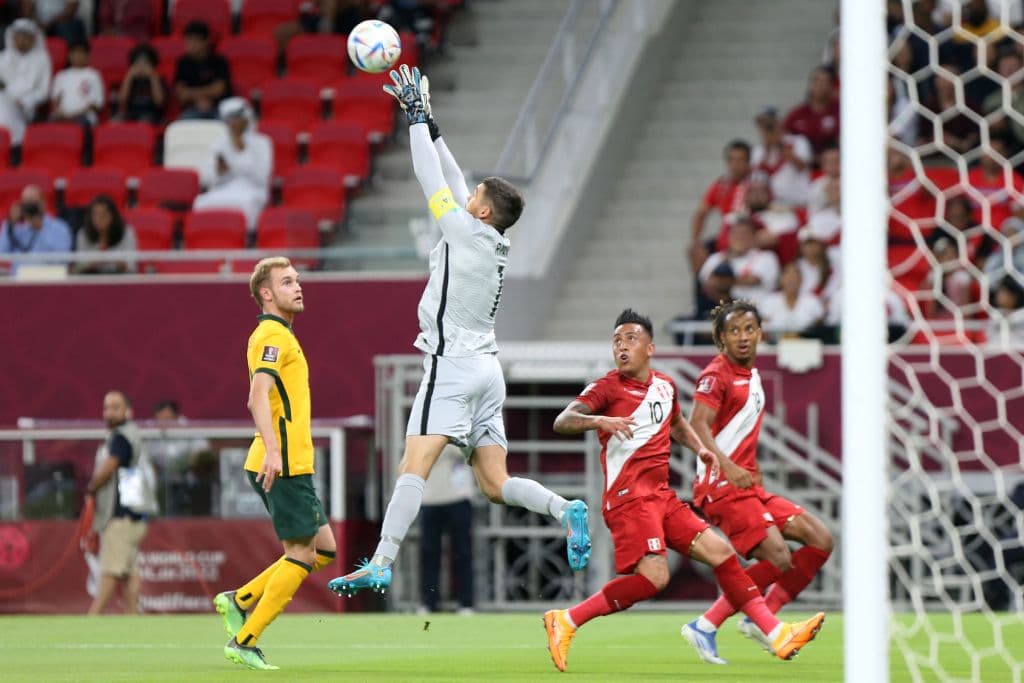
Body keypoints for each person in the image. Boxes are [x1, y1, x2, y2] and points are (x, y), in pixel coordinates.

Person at [328, 66, 592, 598]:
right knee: (495, 483)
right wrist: (433, 125)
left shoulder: (465, 232)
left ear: (483, 210)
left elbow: (432, 179)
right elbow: (451, 176)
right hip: (488, 372)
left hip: (451, 368)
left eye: (474, 195)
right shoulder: (491, 239)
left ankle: (381, 562)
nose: (465, 194)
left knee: (413, 465)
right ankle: (564, 508)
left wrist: (414, 119)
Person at [541, 309, 825, 672]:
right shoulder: (607, 387)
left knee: (721, 553)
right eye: (617, 340)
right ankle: (567, 620)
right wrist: (600, 419)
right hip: (629, 499)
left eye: (631, 339)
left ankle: (775, 633)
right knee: (655, 579)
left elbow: (676, 423)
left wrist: (700, 449)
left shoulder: (665, 385)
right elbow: (563, 420)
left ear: (650, 348)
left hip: (661, 496)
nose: (622, 346)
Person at [683, 301, 834, 658]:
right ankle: (710, 624)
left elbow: (740, 432)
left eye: (749, 329)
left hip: (747, 486)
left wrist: (751, 469)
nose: (743, 337)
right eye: (734, 331)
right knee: (779, 556)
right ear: (721, 338)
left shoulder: (752, 375)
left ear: (760, 334)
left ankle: (750, 619)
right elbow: (698, 424)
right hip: (720, 486)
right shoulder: (716, 375)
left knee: (820, 539)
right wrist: (728, 466)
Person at [212, 257, 337, 671]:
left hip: (289, 460)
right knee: (300, 554)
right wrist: (274, 451)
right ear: (266, 293)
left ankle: (240, 599)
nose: (297, 287)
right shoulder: (271, 335)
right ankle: (244, 641)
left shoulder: (281, 334)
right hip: (281, 463)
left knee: (324, 550)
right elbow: (256, 396)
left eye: (297, 280)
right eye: (286, 282)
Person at [85, 390, 157, 615]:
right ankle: (133, 617)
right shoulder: (130, 435)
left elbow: (109, 467)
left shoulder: (121, 437)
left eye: (116, 407)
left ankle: (92, 618)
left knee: (110, 570)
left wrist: (91, 488)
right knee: (129, 572)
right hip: (135, 514)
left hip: (121, 517)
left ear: (128, 411)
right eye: (106, 408)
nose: (109, 413)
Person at [193, 97, 272, 230]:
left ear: (246, 119)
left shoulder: (262, 143)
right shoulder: (218, 144)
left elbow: (262, 177)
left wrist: (240, 154)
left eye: (236, 118)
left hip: (252, 190)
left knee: (247, 203)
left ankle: (246, 238)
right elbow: (207, 180)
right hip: (224, 189)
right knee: (200, 202)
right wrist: (219, 172)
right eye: (229, 119)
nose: (233, 123)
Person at [419, 444, 475, 615]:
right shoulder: (421, 432)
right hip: (429, 498)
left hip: (458, 497)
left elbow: (468, 451)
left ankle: (466, 603)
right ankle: (429, 603)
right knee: (429, 553)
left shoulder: (461, 429)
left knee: (463, 552)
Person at [688, 139, 752, 274]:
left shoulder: (757, 183)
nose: (735, 165)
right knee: (696, 252)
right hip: (726, 236)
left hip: (750, 235)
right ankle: (704, 287)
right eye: (731, 160)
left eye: (739, 160)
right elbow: (700, 213)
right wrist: (695, 242)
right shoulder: (721, 185)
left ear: (748, 162)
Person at [698, 216, 780, 304]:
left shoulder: (766, 257)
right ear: (729, 237)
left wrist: (721, 282)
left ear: (754, 237)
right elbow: (707, 282)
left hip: (756, 308)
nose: (740, 237)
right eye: (736, 233)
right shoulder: (716, 258)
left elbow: (753, 280)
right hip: (722, 308)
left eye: (744, 234)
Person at [0, 184, 72, 275]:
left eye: (34, 202)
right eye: (27, 202)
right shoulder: (16, 228)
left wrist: (40, 228)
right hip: (20, 279)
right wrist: (10, 224)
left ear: (43, 203)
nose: (31, 207)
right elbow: (2, 254)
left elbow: (62, 258)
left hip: (50, 278)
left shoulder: (60, 227)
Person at [0, 19, 51, 145]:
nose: (21, 40)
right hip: (5, 99)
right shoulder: (4, 57)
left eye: (25, 36)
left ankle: (13, 141)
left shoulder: (42, 59)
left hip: (26, 106)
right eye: (18, 36)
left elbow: (43, 91)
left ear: (33, 38)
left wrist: (26, 102)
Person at [751, 107, 813, 208]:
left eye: (770, 125)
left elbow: (802, 167)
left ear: (780, 124)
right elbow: (757, 176)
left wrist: (780, 143)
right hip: (772, 206)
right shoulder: (758, 150)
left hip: (798, 203)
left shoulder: (798, 141)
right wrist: (767, 149)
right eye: (763, 125)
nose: (767, 128)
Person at [174, 21, 231, 120]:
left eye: (194, 41)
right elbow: (181, 94)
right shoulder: (183, 63)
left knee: (228, 122)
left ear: (205, 41)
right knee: (182, 122)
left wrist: (191, 93)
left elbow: (219, 90)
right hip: (192, 108)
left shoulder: (219, 61)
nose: (190, 45)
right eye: (188, 41)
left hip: (217, 107)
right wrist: (201, 98)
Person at [783, 66, 840, 159]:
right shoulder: (797, 114)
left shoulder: (840, 112)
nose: (819, 85)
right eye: (816, 80)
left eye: (824, 81)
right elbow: (784, 138)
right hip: (804, 164)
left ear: (832, 86)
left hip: (834, 164)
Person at [757, 262, 825, 339]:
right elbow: (764, 325)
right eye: (788, 276)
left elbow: (819, 324)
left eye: (795, 277)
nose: (791, 280)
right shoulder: (770, 301)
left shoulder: (812, 300)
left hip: (806, 341)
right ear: (781, 280)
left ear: (801, 280)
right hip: (776, 342)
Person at [72, 194, 138, 274]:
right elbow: (79, 267)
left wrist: (121, 264)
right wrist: (94, 263)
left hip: (120, 277)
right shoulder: (83, 234)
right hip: (91, 277)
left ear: (113, 216)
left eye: (103, 215)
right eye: (94, 215)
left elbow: (132, 267)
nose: (98, 219)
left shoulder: (127, 233)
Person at [50, 38, 104, 127]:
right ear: (69, 55)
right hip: (62, 115)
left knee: (81, 124)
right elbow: (56, 101)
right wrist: (60, 113)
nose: (77, 55)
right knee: (49, 125)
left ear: (88, 55)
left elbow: (96, 104)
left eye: (81, 52)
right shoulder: (61, 75)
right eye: (74, 52)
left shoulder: (94, 75)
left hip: (84, 116)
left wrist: (74, 115)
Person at [116, 43, 166, 124]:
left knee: (143, 121)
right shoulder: (131, 80)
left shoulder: (158, 79)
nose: (141, 67)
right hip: (131, 114)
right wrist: (129, 77)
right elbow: (121, 101)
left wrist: (153, 77)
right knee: (115, 121)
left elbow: (159, 102)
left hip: (152, 115)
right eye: (137, 63)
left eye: (145, 63)